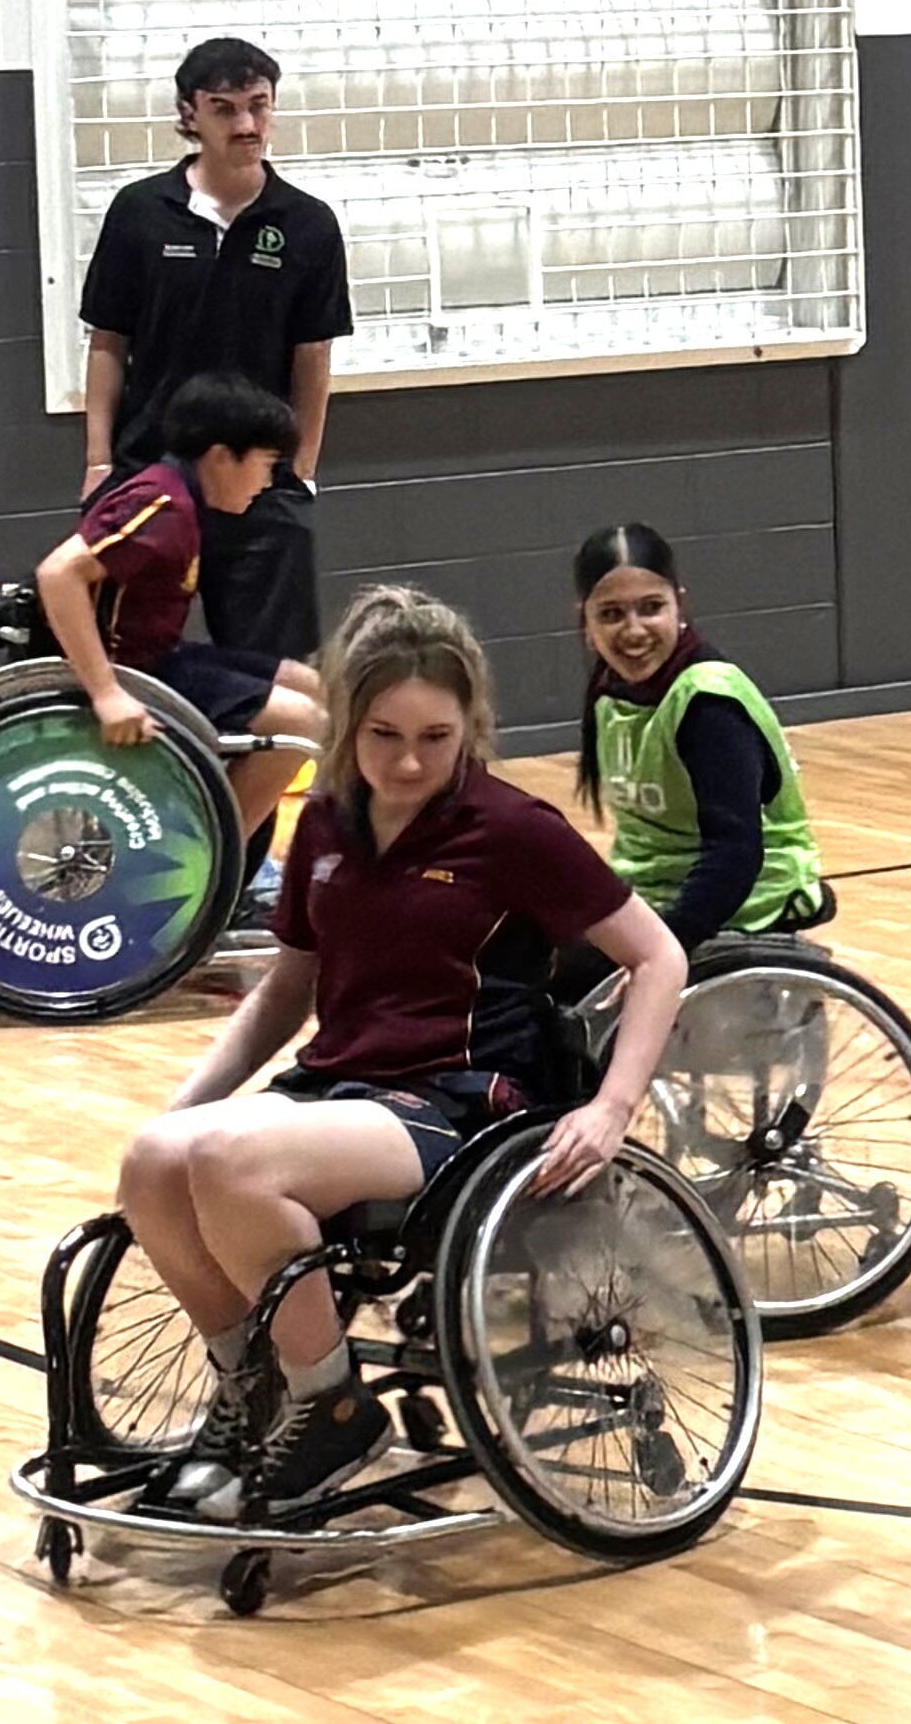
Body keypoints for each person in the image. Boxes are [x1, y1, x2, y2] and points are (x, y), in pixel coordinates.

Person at [116, 589, 687, 1514]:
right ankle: (251, 1384)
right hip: (340, 1082)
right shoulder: (329, 824)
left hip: (458, 1103)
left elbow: (657, 956)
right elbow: (284, 992)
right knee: (153, 1161)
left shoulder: (512, 829)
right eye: (385, 735)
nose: (411, 760)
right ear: (349, 726)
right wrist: (187, 1101)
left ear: (471, 726)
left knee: (231, 1165)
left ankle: (332, 1406)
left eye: (436, 736)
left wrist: (612, 1106)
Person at [78, 37, 351, 683]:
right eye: (225, 108)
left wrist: (301, 469)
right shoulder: (140, 212)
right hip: (152, 473)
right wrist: (98, 462)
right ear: (190, 113)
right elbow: (108, 343)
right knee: (123, 661)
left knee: (276, 673)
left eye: (259, 106)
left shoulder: (308, 224)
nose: (247, 125)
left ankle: (267, 787)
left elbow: (313, 358)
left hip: (261, 482)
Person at [32, 374, 327, 848]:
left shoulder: (180, 498)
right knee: (302, 724)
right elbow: (57, 574)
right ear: (220, 457)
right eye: (267, 463)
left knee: (311, 685)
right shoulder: (162, 505)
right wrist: (106, 694)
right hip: (131, 672)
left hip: (161, 658)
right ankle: (204, 871)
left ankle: (216, 848)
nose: (270, 480)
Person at [571, 521, 828, 948]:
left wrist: (663, 949)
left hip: (739, 901)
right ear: (584, 620)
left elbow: (736, 854)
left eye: (651, 608)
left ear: (680, 605)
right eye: (612, 614)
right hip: (651, 893)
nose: (633, 631)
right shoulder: (609, 689)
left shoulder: (708, 702)